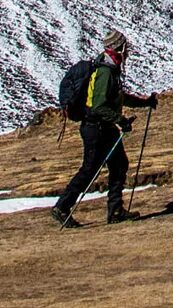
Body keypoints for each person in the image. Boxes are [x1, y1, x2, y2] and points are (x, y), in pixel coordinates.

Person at [50, 30, 158, 227]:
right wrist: (120, 119)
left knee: (117, 165)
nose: (128, 51)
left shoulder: (108, 68)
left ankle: (114, 211)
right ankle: (63, 207)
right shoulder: (106, 71)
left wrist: (145, 103)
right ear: (119, 48)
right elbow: (98, 106)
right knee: (90, 169)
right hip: (97, 128)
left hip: (101, 128)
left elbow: (118, 97)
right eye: (126, 47)